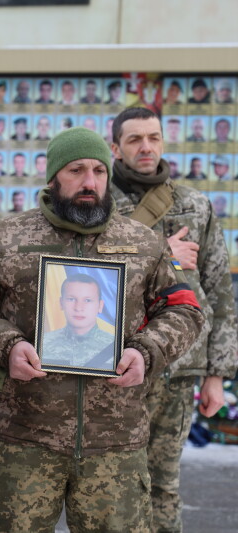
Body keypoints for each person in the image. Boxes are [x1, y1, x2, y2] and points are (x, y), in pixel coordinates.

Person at [0, 126, 204, 533]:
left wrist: (146, 351)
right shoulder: (5, 239)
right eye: (76, 170)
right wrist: (7, 345)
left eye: (98, 171)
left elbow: (185, 309)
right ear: (53, 176)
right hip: (25, 439)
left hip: (116, 444)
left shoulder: (143, 242)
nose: (90, 182)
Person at [109, 107, 237, 533]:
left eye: (153, 137)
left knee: (163, 485)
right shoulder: (99, 204)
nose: (146, 147)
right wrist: (162, 251)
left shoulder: (194, 205)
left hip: (180, 368)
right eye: (134, 139)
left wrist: (217, 375)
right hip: (115, 365)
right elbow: (85, 272)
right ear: (116, 148)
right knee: (109, 485)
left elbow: (219, 291)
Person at [41, 274, 114, 368]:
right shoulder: (42, 343)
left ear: (100, 306)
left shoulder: (115, 347)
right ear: (61, 303)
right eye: (71, 299)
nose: (78, 308)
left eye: (87, 300)